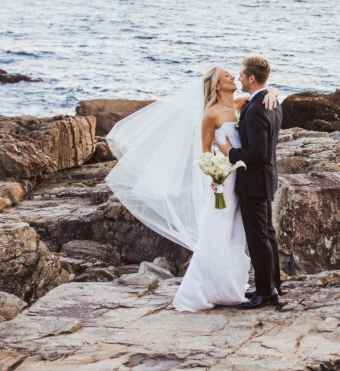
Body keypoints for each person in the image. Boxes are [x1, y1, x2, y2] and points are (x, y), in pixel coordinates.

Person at [105, 64, 278, 312]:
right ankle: (206, 288)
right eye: (226, 75)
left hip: (240, 181)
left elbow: (262, 94)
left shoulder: (239, 105)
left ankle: (232, 287)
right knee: (217, 231)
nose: (232, 76)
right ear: (217, 85)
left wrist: (272, 91)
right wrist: (213, 175)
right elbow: (205, 151)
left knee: (236, 235)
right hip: (221, 181)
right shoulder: (211, 114)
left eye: (233, 74)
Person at [217, 55, 283, 310]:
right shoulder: (272, 101)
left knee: (258, 238)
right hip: (266, 178)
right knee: (267, 234)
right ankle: (272, 285)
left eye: (243, 76)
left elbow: (258, 153)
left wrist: (230, 153)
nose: (240, 78)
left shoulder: (256, 109)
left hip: (255, 181)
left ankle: (266, 293)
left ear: (252, 78)